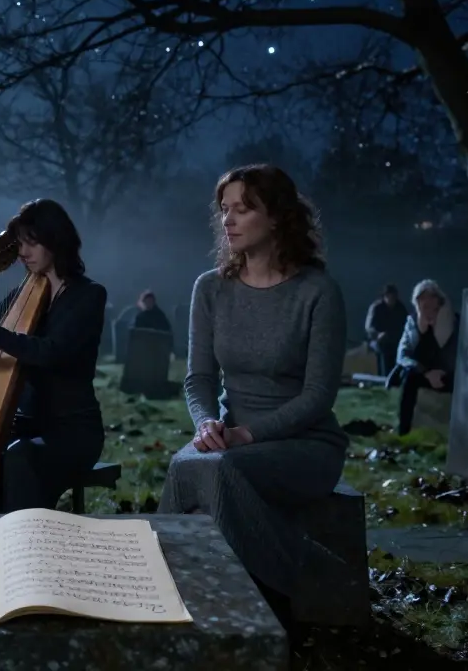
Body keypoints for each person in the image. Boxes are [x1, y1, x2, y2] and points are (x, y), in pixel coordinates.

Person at [157, 164, 349, 619]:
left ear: (277, 216)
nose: (228, 220)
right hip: (229, 437)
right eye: (225, 209)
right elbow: (199, 379)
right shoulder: (210, 288)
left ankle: (284, 590)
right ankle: (175, 597)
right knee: (186, 466)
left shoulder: (318, 291)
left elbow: (318, 395)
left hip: (305, 443)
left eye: (243, 209)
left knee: (220, 471)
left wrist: (248, 435)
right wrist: (206, 423)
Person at [0, 199, 108, 512]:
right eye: (19, 243)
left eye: (31, 242)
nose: (22, 252)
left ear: (55, 240)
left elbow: (49, 353)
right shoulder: (23, 294)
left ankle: (27, 536)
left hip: (72, 431)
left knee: (19, 456)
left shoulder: (89, 295)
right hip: (25, 425)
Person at [391, 279, 458, 436]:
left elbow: (459, 352)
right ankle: (403, 431)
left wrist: (443, 371)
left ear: (439, 300)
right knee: (409, 379)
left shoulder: (452, 322)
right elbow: (403, 355)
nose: (427, 302)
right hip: (421, 372)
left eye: (431, 297)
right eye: (422, 299)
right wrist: (425, 372)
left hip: (447, 373)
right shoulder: (412, 323)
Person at [364, 284, 409, 376]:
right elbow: (369, 327)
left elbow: (406, 324)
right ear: (384, 296)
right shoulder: (376, 307)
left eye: (393, 297)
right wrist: (378, 334)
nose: (391, 299)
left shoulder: (400, 308)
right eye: (389, 296)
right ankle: (384, 376)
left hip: (395, 340)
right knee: (384, 350)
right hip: (378, 341)